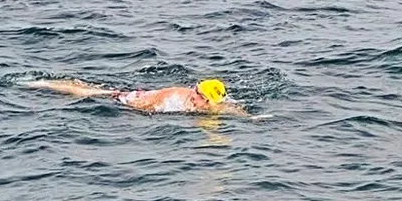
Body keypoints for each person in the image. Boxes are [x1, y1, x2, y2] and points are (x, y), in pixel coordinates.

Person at [25, 77, 250, 117]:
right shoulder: (174, 97)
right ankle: (44, 84)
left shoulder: (215, 105)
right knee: (93, 93)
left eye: (199, 94)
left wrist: (252, 119)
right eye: (195, 90)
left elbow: (232, 109)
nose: (193, 95)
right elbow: (145, 107)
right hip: (136, 100)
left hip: (147, 98)